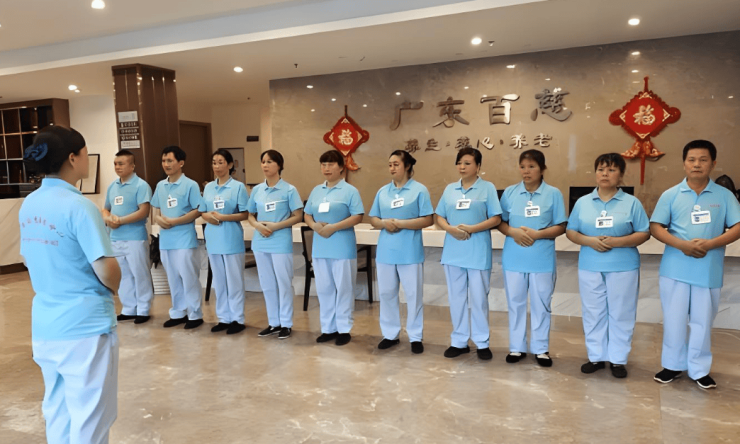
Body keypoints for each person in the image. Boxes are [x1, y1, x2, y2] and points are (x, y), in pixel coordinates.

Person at [20, 126, 121, 444]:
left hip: (46, 326)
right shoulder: (80, 207)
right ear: (73, 158)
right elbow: (106, 269)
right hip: (85, 327)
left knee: (58, 411)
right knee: (91, 418)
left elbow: (28, 259)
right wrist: (116, 287)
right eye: (86, 153)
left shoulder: (29, 204)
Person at [650, 140, 740, 389]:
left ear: (713, 163)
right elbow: (656, 226)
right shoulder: (671, 194)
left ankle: (699, 369)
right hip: (675, 268)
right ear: (684, 163)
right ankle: (672, 365)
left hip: (708, 269)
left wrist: (711, 244)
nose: (697, 164)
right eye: (691, 159)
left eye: (703, 159)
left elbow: (737, 226)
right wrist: (682, 245)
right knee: (674, 319)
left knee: (702, 322)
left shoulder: (724, 195)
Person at [566, 153, 650, 379]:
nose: (605, 174)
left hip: (623, 265)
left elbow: (644, 232)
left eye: (611, 170)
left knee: (621, 312)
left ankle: (618, 360)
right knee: (593, 312)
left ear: (621, 175)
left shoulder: (631, 203)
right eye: (601, 169)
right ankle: (596, 356)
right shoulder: (583, 202)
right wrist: (589, 241)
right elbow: (571, 231)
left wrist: (617, 242)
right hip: (590, 264)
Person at [498, 149, 566, 367]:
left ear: (542, 169)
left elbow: (561, 225)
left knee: (541, 304)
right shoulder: (510, 193)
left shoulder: (553, 194)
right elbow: (500, 222)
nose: (526, 171)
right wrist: (513, 232)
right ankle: (516, 347)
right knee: (515, 303)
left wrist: (538, 234)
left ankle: (541, 349)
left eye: (531, 166)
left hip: (541, 258)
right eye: (522, 167)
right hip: (514, 257)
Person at [434, 146, 502, 360]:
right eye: (459, 163)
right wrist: (450, 229)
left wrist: (472, 228)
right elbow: (439, 216)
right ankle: (459, 341)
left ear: (478, 166)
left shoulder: (487, 188)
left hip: (477, 251)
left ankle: (482, 342)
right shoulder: (450, 189)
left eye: (467, 163)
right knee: (456, 298)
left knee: (479, 299)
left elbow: (496, 218)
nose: (462, 167)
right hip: (453, 251)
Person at [369, 150, 433, 354]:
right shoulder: (382, 191)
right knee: (387, 293)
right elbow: (373, 218)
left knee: (413, 294)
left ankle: (415, 336)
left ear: (407, 166)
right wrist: (384, 223)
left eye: (396, 164)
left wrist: (401, 223)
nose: (392, 168)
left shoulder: (419, 190)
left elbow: (428, 219)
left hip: (410, 252)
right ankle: (390, 334)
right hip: (386, 251)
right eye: (390, 164)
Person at [304, 150, 364, 346]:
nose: (326, 168)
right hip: (320, 247)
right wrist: (314, 226)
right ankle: (328, 328)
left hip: (342, 247)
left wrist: (333, 227)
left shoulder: (350, 191)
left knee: (344, 289)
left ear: (341, 167)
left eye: (330, 164)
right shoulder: (317, 190)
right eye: (323, 164)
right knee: (324, 289)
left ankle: (344, 329)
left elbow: (358, 216)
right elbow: (307, 214)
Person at [247, 150, 304, 339]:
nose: (265, 165)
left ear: (279, 165)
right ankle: (274, 323)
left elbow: (298, 215)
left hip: (280, 242)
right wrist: (257, 226)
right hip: (260, 242)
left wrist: (275, 226)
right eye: (263, 161)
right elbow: (250, 214)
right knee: (267, 284)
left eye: (270, 161)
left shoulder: (289, 190)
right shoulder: (257, 190)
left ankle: (286, 323)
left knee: (283, 283)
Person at [150, 146, 204, 329]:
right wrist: (159, 220)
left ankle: (195, 314)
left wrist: (176, 221)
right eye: (164, 161)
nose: (166, 164)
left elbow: (198, 210)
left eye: (170, 160)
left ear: (181, 163)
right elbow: (155, 210)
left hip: (184, 239)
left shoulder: (190, 185)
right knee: (172, 278)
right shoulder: (160, 185)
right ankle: (178, 312)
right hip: (166, 240)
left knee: (188, 277)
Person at [199, 149, 250, 335]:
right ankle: (223, 318)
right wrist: (208, 217)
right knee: (219, 281)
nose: (217, 166)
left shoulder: (238, 187)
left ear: (229, 165)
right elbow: (202, 210)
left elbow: (245, 213)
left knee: (234, 281)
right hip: (213, 239)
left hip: (231, 239)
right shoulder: (209, 188)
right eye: (214, 162)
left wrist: (224, 217)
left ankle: (237, 318)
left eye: (221, 162)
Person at [102, 150, 154, 324]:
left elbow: (144, 211)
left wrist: (120, 221)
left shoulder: (141, 185)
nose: (118, 167)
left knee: (140, 273)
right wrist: (108, 219)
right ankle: (129, 308)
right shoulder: (113, 186)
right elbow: (105, 208)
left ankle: (143, 309)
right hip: (115, 238)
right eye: (115, 164)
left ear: (132, 166)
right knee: (123, 275)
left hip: (135, 238)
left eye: (121, 164)